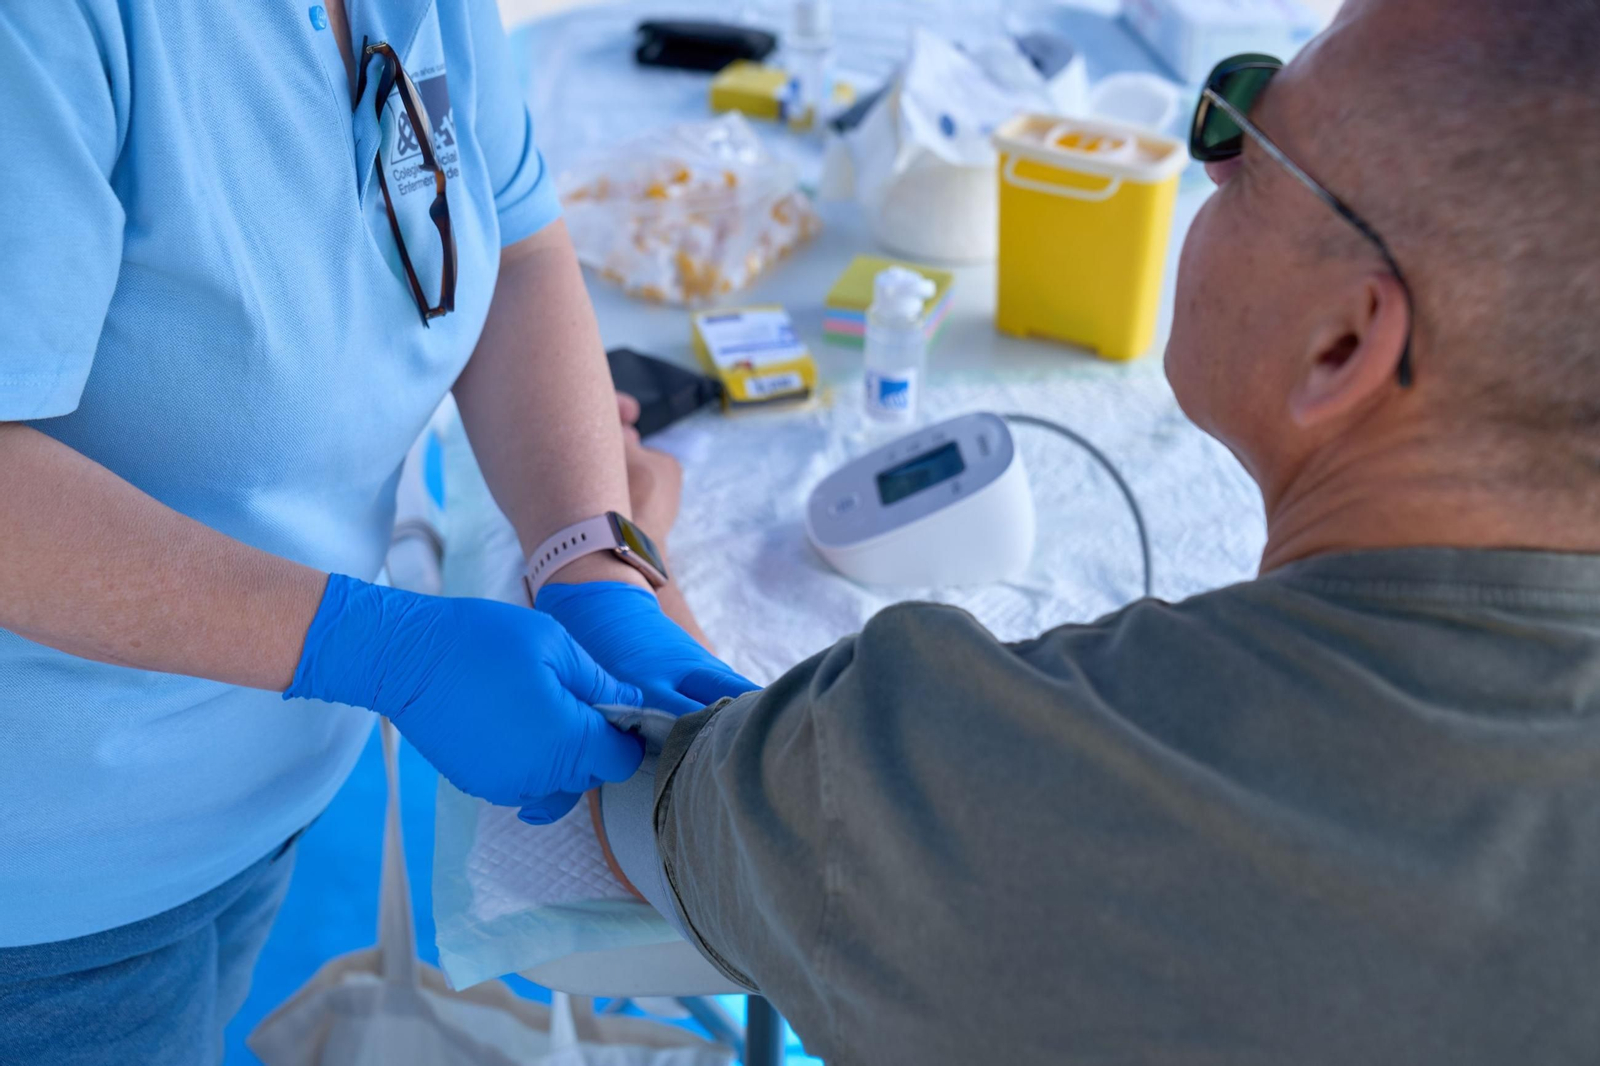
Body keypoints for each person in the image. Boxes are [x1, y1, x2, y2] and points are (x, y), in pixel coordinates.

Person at [593, 1, 1600, 1062]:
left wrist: (618, 553)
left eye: (1242, 126)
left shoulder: (978, 773)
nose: (1207, 163)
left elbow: (663, 798)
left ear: (1344, 342)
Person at [0, 1, 749, 1061]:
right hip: (45, 887)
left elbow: (520, 252)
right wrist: (374, 647)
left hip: (257, 785)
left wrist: (594, 558)